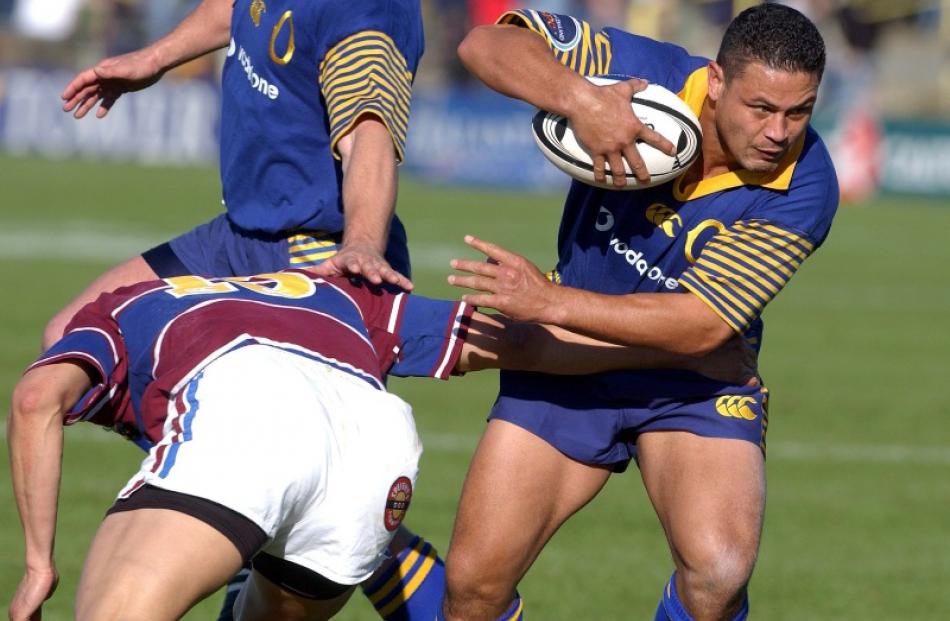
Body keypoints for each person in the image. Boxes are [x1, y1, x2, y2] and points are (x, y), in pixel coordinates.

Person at [7, 270, 754, 621]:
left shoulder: (115, 315)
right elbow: (516, 342)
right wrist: (671, 353)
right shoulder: (334, 295)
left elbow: (38, 398)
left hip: (246, 410)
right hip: (373, 446)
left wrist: (39, 564)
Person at [442, 4, 838, 621]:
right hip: (566, 359)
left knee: (718, 574)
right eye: (761, 108)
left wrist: (549, 303)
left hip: (691, 379)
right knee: (473, 588)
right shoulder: (649, 74)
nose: (779, 132)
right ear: (717, 83)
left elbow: (703, 324)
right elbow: (485, 46)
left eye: (799, 111)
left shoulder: (808, 183)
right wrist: (583, 100)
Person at [53, 1, 442, 618]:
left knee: (311, 478)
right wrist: (152, 58)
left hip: (312, 249)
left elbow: (369, 128)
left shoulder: (364, 11)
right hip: (239, 233)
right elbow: (236, 8)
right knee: (72, 343)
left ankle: (361, 542)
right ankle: (266, 513)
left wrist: (361, 243)